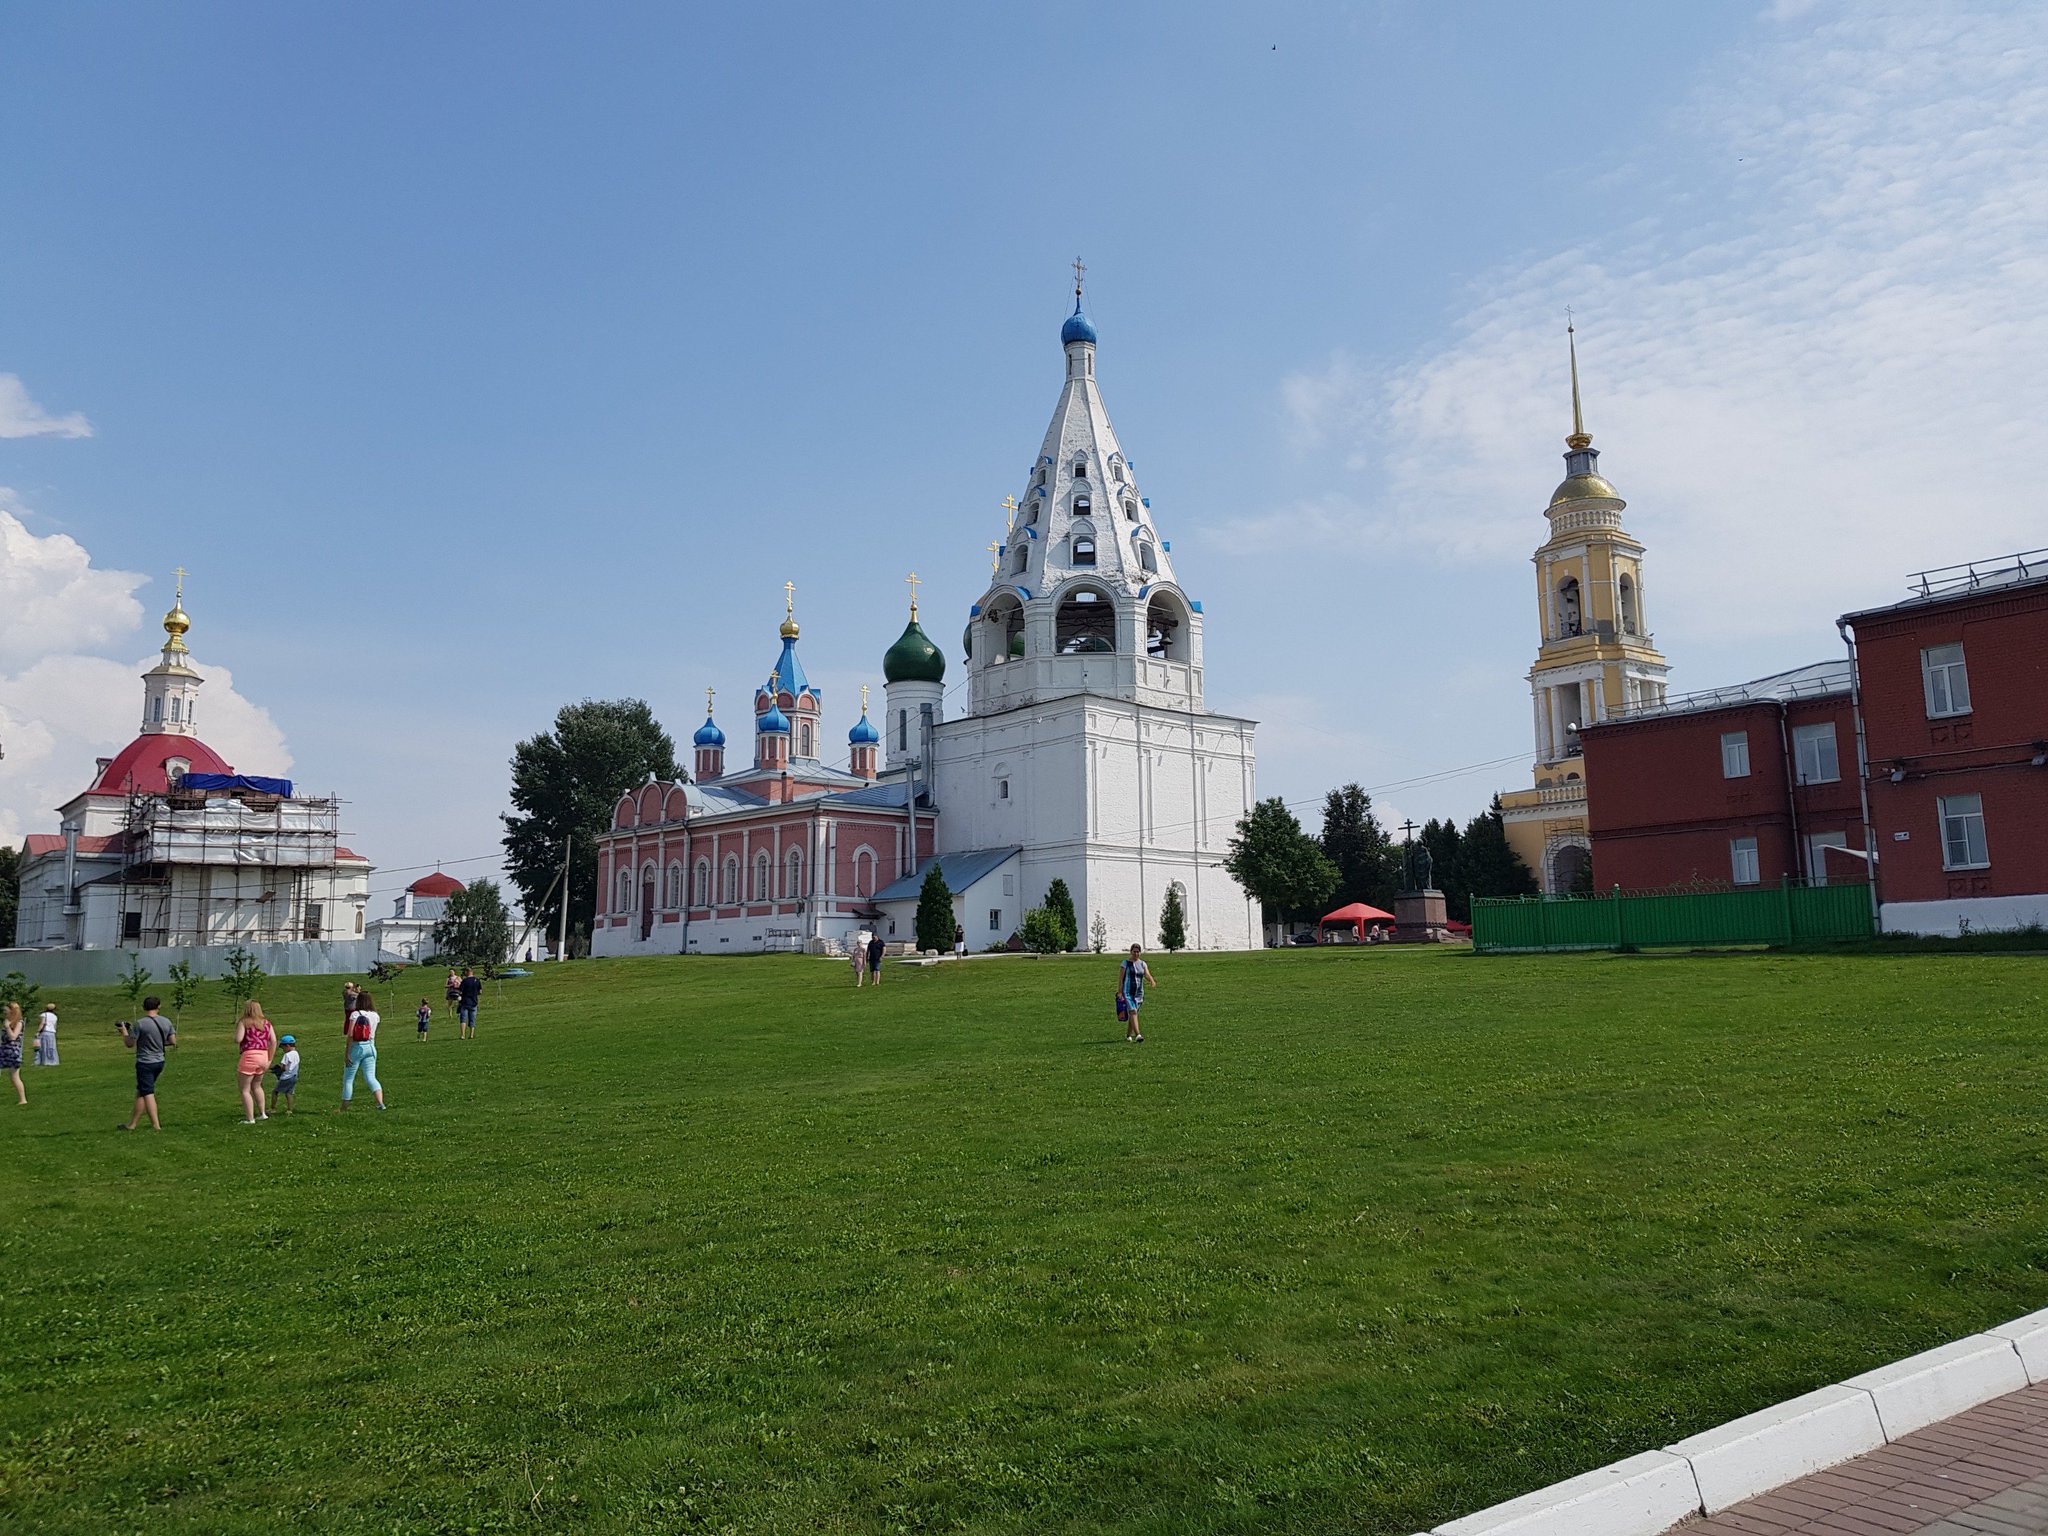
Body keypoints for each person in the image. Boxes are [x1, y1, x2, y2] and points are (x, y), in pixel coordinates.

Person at [119, 998, 176, 1130]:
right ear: (159, 1006)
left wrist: (124, 1032)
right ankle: (132, 1124)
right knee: (142, 1091)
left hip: (145, 1062)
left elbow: (129, 1044)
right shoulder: (166, 1021)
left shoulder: (140, 1024)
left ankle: (156, 1125)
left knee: (148, 1092)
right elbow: (172, 1041)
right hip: (159, 1061)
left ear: (144, 1007)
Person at [338, 988, 386, 1111]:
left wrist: (347, 1053)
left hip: (357, 1047)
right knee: (371, 1077)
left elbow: (350, 1035)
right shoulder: (376, 1015)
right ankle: (380, 1103)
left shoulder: (355, 1014)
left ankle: (343, 1108)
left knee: (348, 1079)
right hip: (371, 1047)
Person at [233, 999, 276, 1124]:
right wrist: (269, 1059)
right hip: (263, 1056)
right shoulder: (266, 1023)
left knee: (245, 1089)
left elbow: (238, 1039)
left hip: (249, 1056)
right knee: (257, 1086)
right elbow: (273, 1041)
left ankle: (250, 1118)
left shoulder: (244, 1022)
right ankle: (262, 1113)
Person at [1120, 943, 1158, 1043]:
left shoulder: (1142, 964)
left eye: (1137, 952)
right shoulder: (1125, 963)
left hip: (1139, 993)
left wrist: (1152, 981)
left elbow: (1147, 974)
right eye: (1134, 952)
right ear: (1131, 952)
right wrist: (1120, 992)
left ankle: (1128, 1035)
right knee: (1133, 1011)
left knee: (1133, 1014)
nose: (1136, 954)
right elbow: (1121, 978)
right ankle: (1138, 1035)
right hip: (1128, 992)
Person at [270, 1035, 300, 1115]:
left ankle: (273, 1109)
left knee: (275, 1092)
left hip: (286, 1077)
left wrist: (277, 1069)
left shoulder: (287, 1055)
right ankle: (289, 1110)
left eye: (283, 1047)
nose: (283, 1050)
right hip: (294, 1076)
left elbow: (283, 1067)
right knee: (289, 1093)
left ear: (287, 1046)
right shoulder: (296, 1053)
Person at [2, 1003, 24, 1106]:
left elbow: (13, 1037)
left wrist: (7, 1027)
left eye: (6, 1010)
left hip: (13, 1052)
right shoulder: (8, 1021)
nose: (4, 1012)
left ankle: (23, 1099)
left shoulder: (19, 1023)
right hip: (4, 1051)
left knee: (14, 1077)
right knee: (13, 1077)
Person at [457, 968, 482, 1038]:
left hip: (465, 1002)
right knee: (472, 1019)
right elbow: (480, 991)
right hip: (474, 1002)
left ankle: (463, 1035)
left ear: (467, 972)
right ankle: (471, 1035)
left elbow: (460, 991)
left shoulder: (465, 981)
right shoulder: (477, 980)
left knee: (463, 1019)